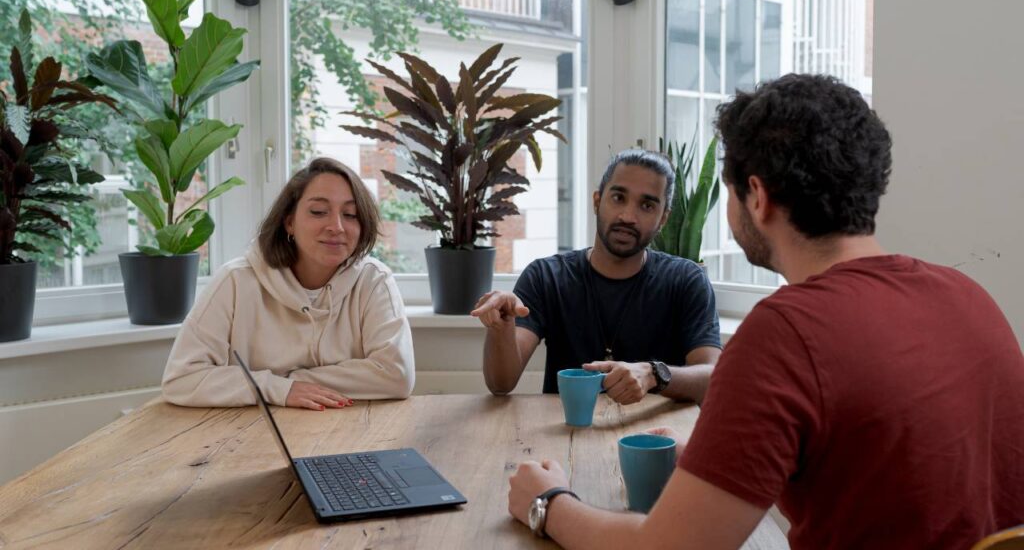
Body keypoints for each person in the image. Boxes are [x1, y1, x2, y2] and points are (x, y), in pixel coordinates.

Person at [506, 74, 1024, 549]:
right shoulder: (969, 296)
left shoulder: (786, 332)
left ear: (756, 197)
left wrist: (548, 502)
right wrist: (728, 465)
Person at [162, 157, 415, 410]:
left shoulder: (374, 280)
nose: (337, 227)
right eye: (318, 212)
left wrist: (288, 381)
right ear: (289, 221)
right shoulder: (235, 282)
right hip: (247, 434)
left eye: (350, 215)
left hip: (349, 429)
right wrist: (277, 389)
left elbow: (397, 375)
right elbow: (181, 379)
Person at [472, 149, 722, 405]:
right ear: (597, 201)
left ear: (663, 220)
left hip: (653, 440)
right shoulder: (546, 277)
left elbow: (714, 379)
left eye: (647, 205)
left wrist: (654, 374)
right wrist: (501, 329)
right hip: (567, 436)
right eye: (618, 197)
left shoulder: (686, 280)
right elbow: (500, 384)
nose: (628, 216)